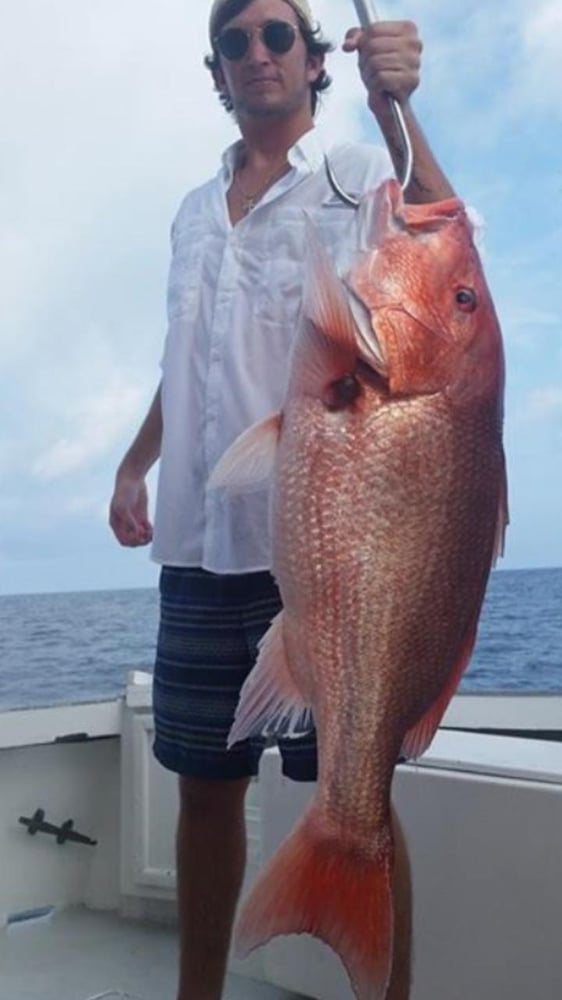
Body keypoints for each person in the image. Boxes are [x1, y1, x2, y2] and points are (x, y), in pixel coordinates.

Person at [109, 2, 455, 998]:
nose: (255, 52)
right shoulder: (190, 206)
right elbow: (188, 363)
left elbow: (440, 246)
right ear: (214, 66)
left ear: (313, 61)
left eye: (275, 35)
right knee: (201, 788)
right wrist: (135, 463)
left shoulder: (352, 173)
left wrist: (401, 109)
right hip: (195, 543)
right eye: (234, 39)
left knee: (359, 790)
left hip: (330, 544)